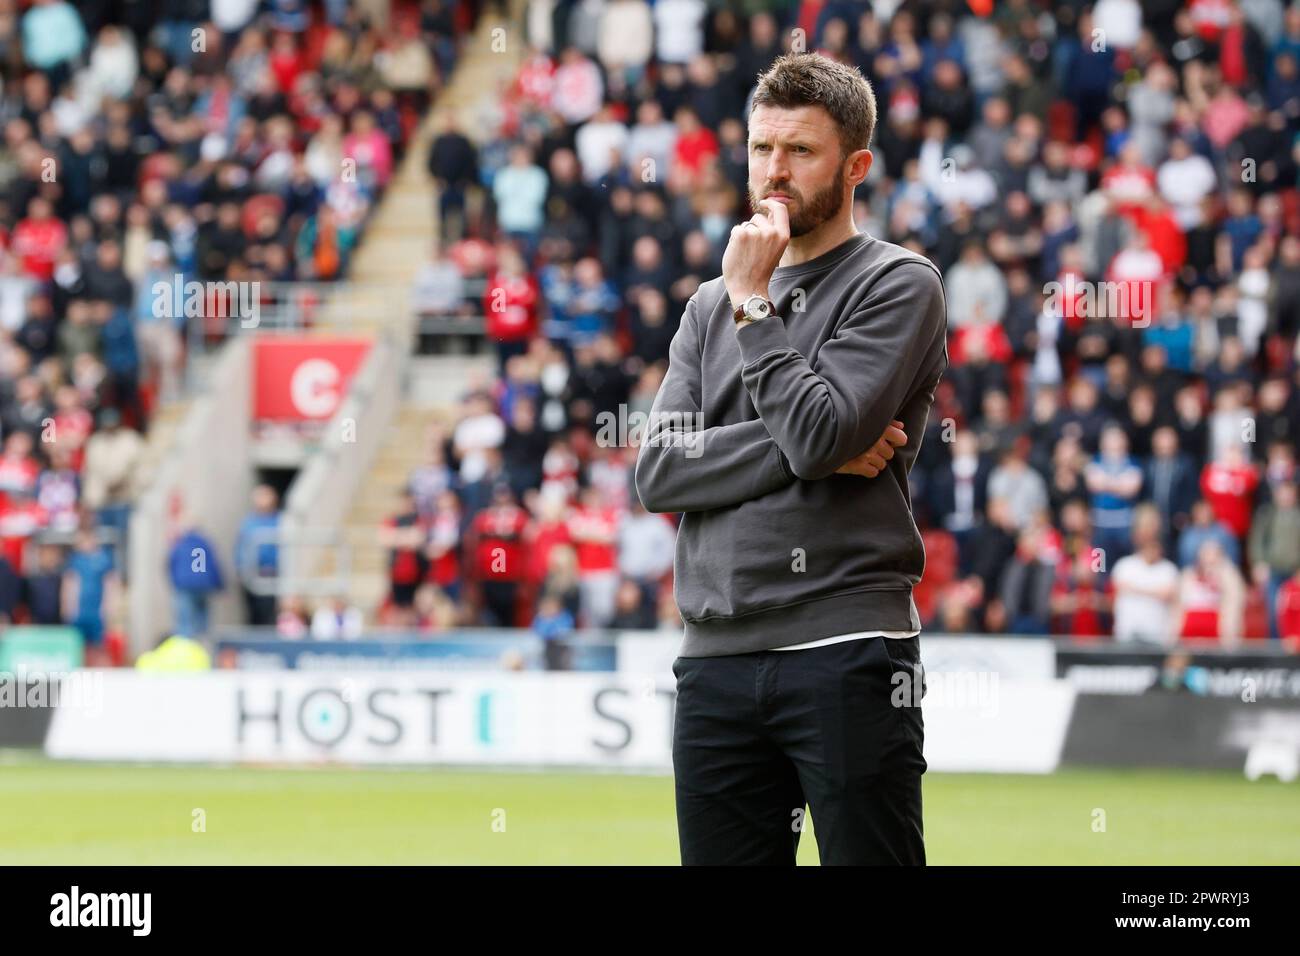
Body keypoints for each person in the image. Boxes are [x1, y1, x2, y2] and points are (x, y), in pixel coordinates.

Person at [635, 54, 946, 866]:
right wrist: (818, 447)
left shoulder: (898, 283)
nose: (775, 170)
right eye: (761, 147)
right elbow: (659, 472)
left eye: (800, 151)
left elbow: (818, 434)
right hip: (714, 659)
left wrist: (755, 303)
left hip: (847, 647)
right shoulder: (708, 303)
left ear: (855, 167)